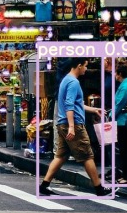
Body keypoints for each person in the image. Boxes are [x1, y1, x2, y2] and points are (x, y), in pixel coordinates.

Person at [39, 58, 110, 197]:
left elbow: (77, 104)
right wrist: (72, 126)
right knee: (87, 156)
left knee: (61, 156)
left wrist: (93, 110)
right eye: (85, 66)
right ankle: (99, 189)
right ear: (79, 66)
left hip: (63, 123)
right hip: (73, 124)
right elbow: (69, 104)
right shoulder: (73, 82)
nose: (86, 69)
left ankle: (44, 185)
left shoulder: (66, 80)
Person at [112, 64, 127, 184]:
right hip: (123, 120)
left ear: (119, 74)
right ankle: (125, 174)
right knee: (124, 149)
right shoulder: (126, 84)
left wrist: (111, 115)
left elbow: (119, 103)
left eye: (115, 72)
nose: (114, 75)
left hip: (123, 121)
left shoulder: (125, 86)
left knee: (124, 149)